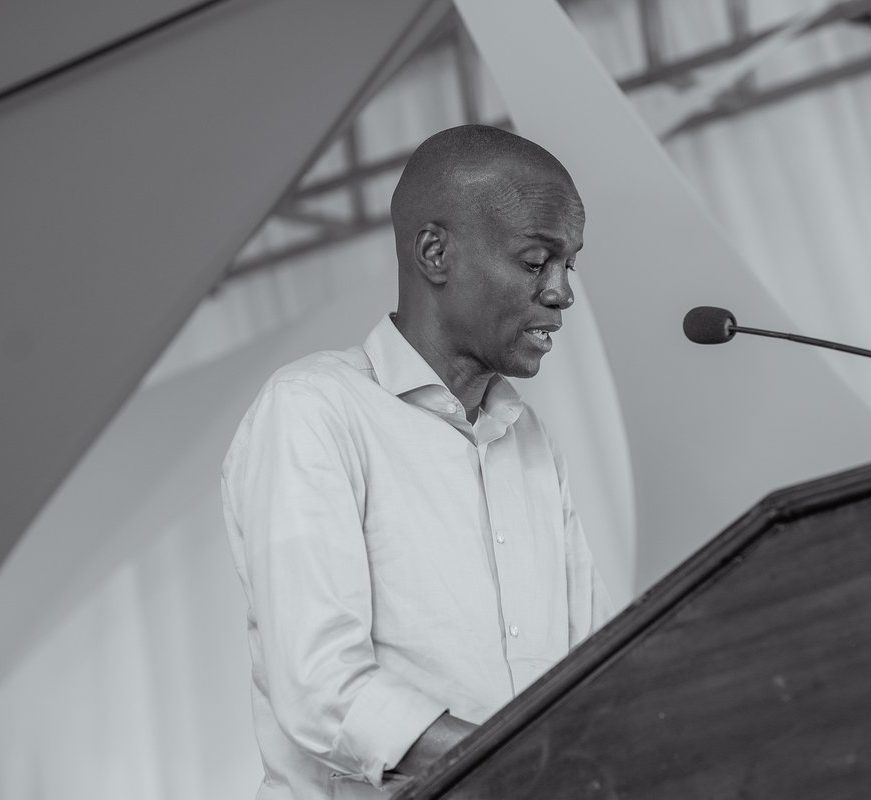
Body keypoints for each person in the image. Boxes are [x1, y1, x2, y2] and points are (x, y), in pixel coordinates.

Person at [221, 124, 613, 800]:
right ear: (435, 253)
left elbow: (596, 665)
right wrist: (526, 768)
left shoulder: (528, 440)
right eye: (535, 261)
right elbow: (324, 689)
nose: (561, 292)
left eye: (568, 265)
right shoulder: (315, 409)